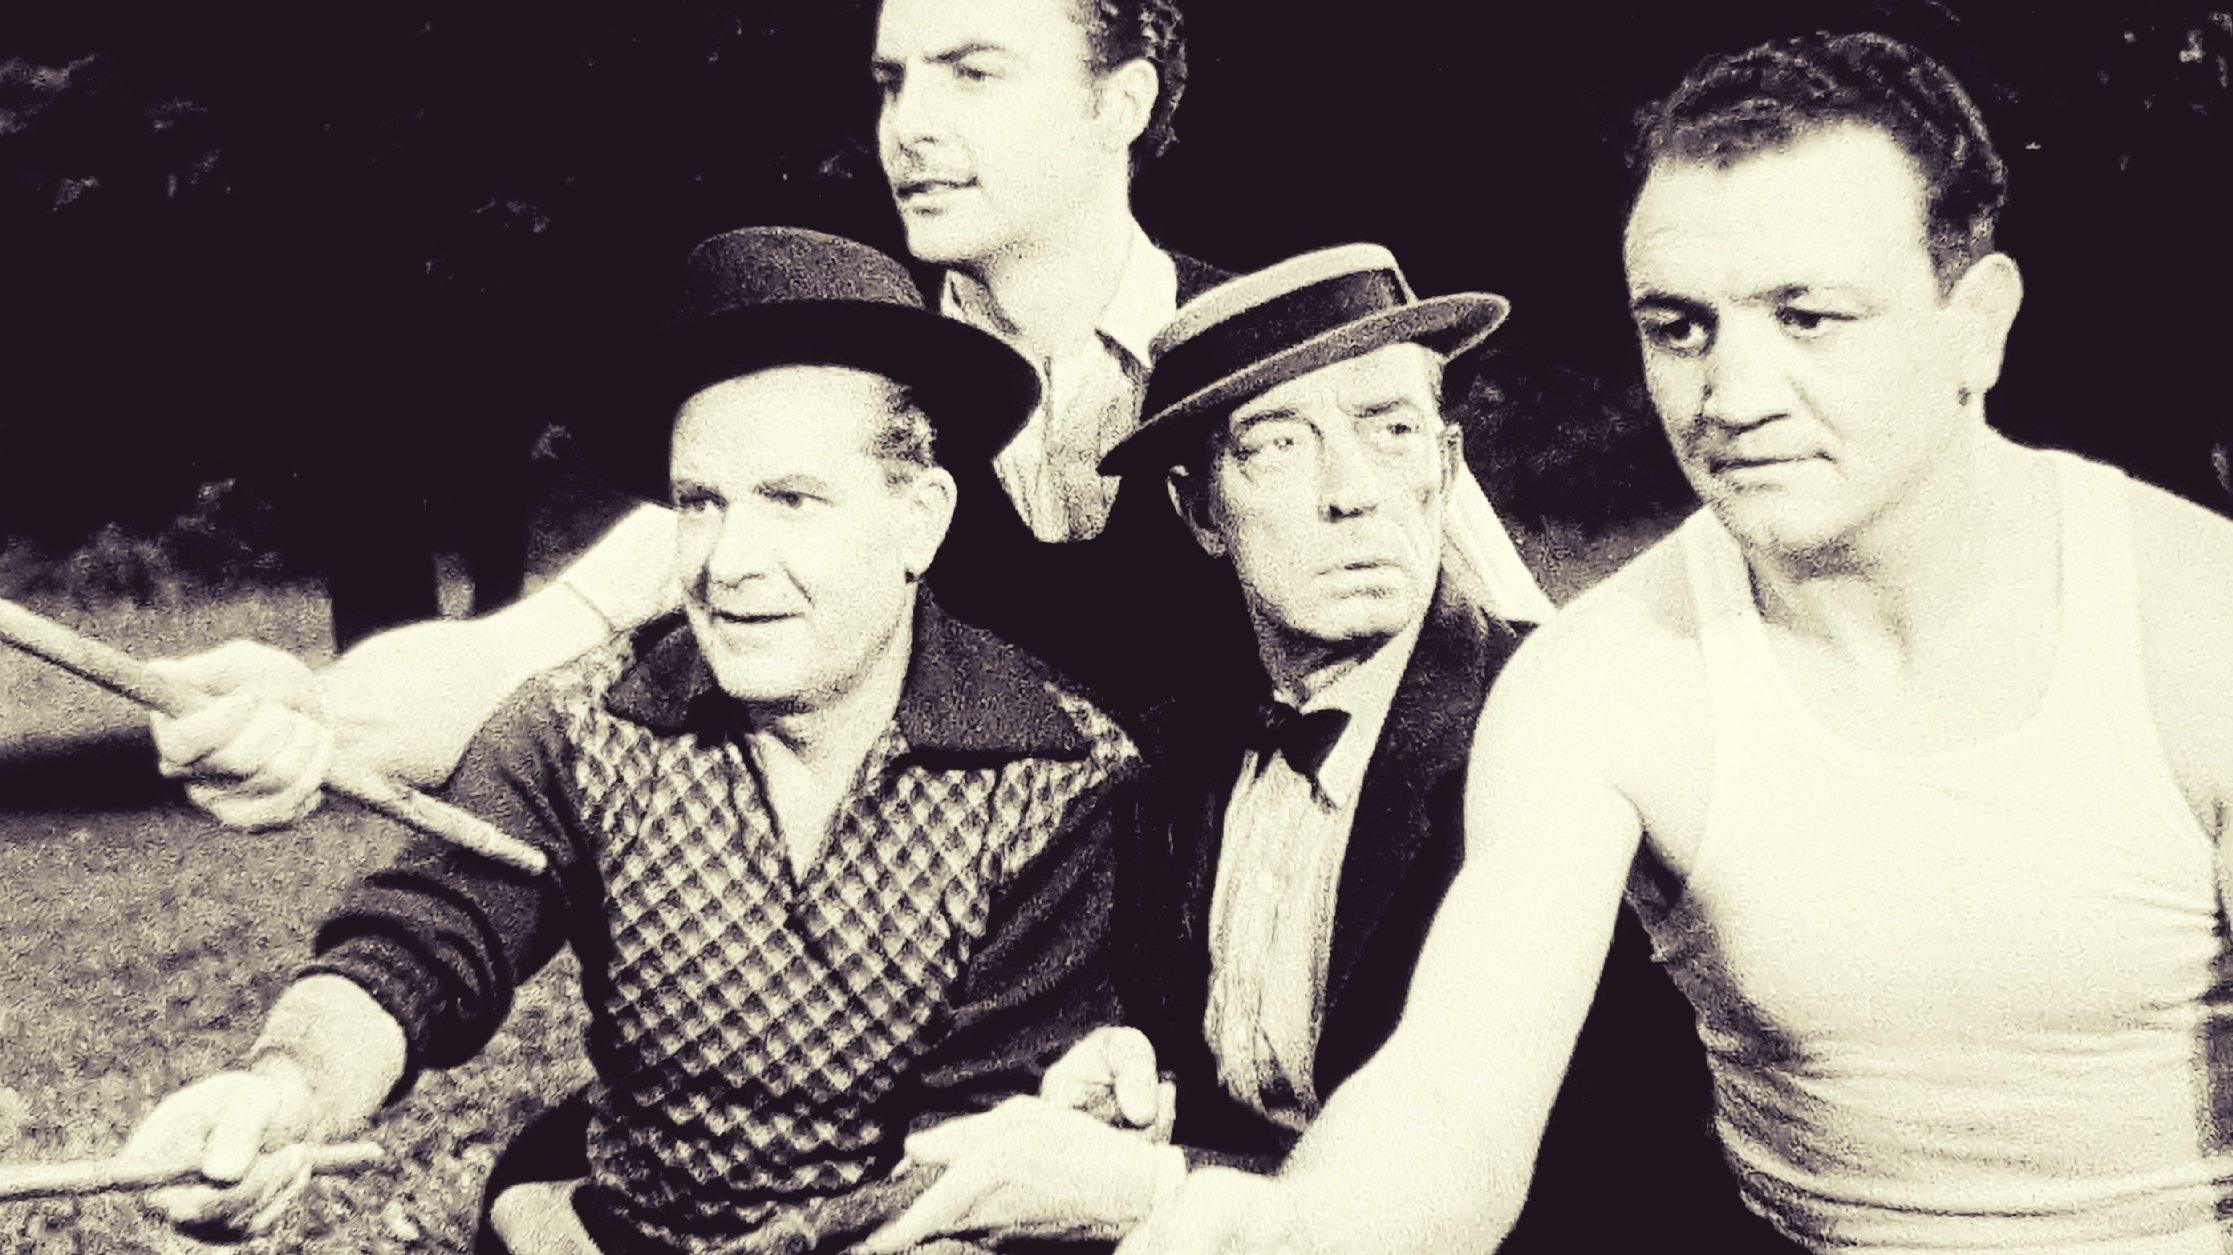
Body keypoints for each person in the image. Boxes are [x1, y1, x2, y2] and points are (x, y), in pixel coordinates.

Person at [1118, 31, 2233, 1255]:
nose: (1733, 395)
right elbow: (1451, 1101)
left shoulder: (2199, 627)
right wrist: (1287, 1229)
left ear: (1978, 323)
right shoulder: (1597, 681)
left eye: (1807, 317)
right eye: (1680, 327)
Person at [147, 0, 1551, 830]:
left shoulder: (1285, 359)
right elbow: (527, 645)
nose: (908, 126)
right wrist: (306, 714)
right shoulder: (838, 391)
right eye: (892, 80)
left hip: (1245, 1007)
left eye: (972, 71)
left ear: (1120, 101)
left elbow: (1533, 668)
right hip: (960, 1024)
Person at [122, 227, 1163, 1255]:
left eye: (792, 500)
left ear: (920, 519)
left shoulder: (1056, 776)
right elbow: (418, 943)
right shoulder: (583, 723)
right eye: (699, 503)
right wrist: (283, 1095)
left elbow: (970, 1168)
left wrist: (537, 1221)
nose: (729, 559)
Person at [854, 246, 1730, 1253]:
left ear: (1446, 467)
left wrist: (1153, 1183)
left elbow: (1601, 1180)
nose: (1350, 491)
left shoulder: (1565, 724)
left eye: (1390, 429)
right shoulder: (1169, 763)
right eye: (1276, 445)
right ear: (1198, 510)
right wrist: (1139, 1083)